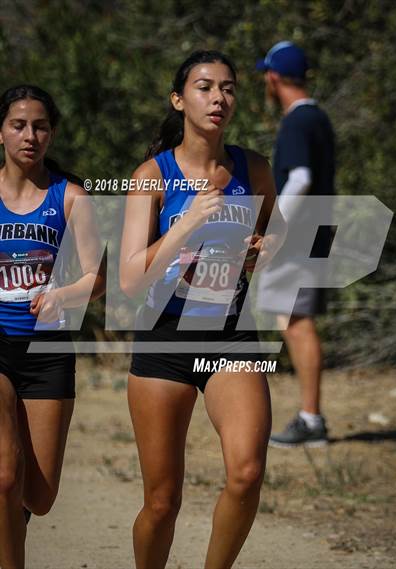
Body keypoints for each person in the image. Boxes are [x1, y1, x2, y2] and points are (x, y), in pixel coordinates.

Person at [120, 50, 287, 569]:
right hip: (164, 336)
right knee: (162, 502)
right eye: (205, 87)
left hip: (230, 334)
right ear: (179, 99)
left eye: (229, 88)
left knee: (246, 473)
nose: (219, 97)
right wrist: (187, 223)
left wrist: (264, 248)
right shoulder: (152, 174)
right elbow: (129, 279)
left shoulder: (252, 167)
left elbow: (279, 232)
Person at [0, 84, 105, 569]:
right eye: (19, 125)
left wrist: (62, 295)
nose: (30, 135)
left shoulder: (70, 197)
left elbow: (98, 276)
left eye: (40, 126)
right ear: (1, 132)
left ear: (52, 134)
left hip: (47, 350)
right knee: (5, 473)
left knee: (37, 496)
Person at [255, 41, 336, 447]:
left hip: (298, 238)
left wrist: (274, 227)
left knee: (296, 323)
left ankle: (311, 419)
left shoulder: (297, 122)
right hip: (314, 234)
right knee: (294, 321)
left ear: (272, 78)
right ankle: (311, 417)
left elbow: (300, 178)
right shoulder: (318, 118)